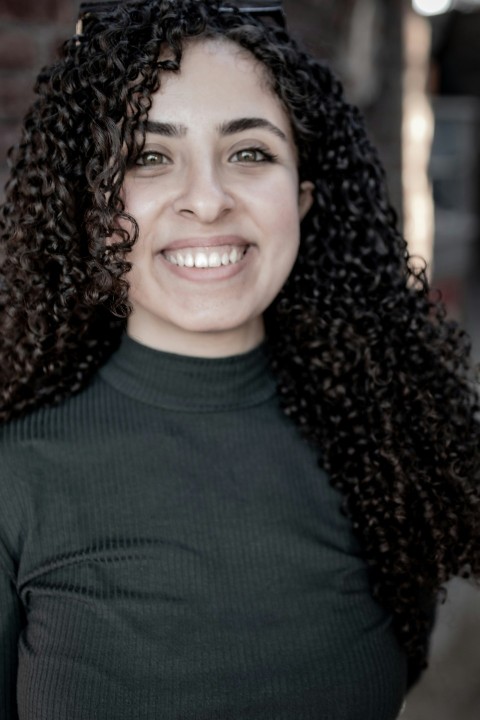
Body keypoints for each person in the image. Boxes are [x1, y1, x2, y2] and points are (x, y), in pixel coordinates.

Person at [0, 1, 478, 718]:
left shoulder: (386, 446)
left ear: (304, 199)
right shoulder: (16, 471)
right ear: (95, 214)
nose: (208, 200)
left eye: (249, 152)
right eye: (149, 156)